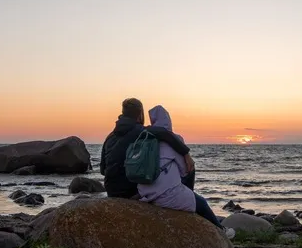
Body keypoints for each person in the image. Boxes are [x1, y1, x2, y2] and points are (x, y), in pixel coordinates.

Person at [137, 105, 234, 238]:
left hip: (144, 192)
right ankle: (221, 230)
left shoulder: (143, 139)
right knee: (201, 203)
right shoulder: (174, 139)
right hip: (165, 196)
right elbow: (185, 170)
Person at [100, 98, 195, 199]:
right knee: (190, 169)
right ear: (140, 114)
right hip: (130, 192)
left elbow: (102, 170)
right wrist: (186, 154)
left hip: (110, 191)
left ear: (123, 112)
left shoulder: (110, 137)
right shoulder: (139, 130)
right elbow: (165, 133)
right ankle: (189, 196)